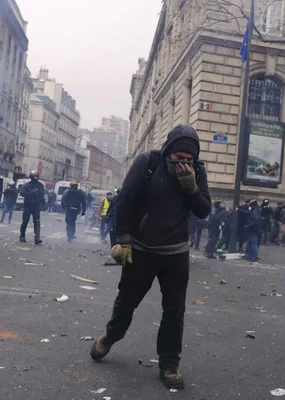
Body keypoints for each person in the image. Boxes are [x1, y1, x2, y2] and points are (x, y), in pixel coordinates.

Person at [90, 125, 211, 390]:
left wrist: (191, 188)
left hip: (176, 253)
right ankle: (110, 337)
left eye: (188, 159)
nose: (183, 163)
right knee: (127, 302)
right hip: (143, 250)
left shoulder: (197, 171)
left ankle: (169, 365)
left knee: (174, 311)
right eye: (178, 157)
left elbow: (203, 210)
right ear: (168, 151)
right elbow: (126, 201)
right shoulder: (149, 162)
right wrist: (123, 238)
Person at [19, 170, 45, 244]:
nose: (36, 178)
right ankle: (22, 236)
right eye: (34, 176)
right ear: (31, 177)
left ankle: (37, 238)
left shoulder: (40, 185)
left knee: (37, 222)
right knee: (25, 221)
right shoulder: (27, 185)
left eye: (37, 176)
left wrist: (44, 204)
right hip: (28, 205)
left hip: (36, 206)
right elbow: (22, 193)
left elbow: (42, 196)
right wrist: (31, 193)